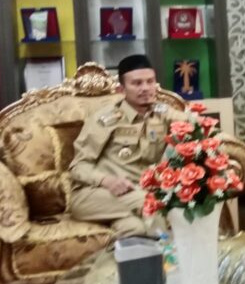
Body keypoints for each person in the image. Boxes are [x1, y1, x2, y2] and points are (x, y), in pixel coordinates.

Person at [69, 54, 187, 236]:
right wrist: (107, 181)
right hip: (94, 194)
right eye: (137, 83)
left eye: (150, 81)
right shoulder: (105, 120)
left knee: (135, 228)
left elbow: (197, 126)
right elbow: (78, 167)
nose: (145, 88)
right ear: (121, 89)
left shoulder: (162, 113)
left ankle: (116, 255)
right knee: (150, 203)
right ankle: (170, 252)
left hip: (133, 194)